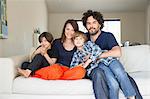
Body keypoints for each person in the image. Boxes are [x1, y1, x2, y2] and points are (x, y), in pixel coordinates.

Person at [82, 10, 142, 99]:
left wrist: (95, 56)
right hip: (97, 67)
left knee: (121, 74)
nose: (91, 26)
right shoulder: (84, 38)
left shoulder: (108, 36)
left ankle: (132, 96)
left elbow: (118, 52)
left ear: (99, 24)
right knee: (112, 82)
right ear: (86, 26)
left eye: (94, 22)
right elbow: (80, 53)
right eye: (88, 23)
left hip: (110, 63)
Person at [52, 19, 108, 98]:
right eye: (68, 29)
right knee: (55, 70)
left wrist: (89, 58)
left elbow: (94, 50)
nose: (70, 32)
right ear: (64, 29)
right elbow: (52, 60)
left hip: (81, 69)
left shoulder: (80, 43)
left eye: (73, 30)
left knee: (90, 72)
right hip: (66, 69)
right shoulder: (57, 42)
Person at [71, 31, 136, 99]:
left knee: (120, 73)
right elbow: (73, 67)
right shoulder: (76, 55)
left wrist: (88, 60)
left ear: (84, 40)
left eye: (80, 39)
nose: (78, 41)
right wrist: (80, 66)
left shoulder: (89, 44)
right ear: (73, 41)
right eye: (76, 39)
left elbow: (97, 51)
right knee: (114, 84)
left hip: (109, 59)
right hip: (100, 64)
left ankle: (131, 96)